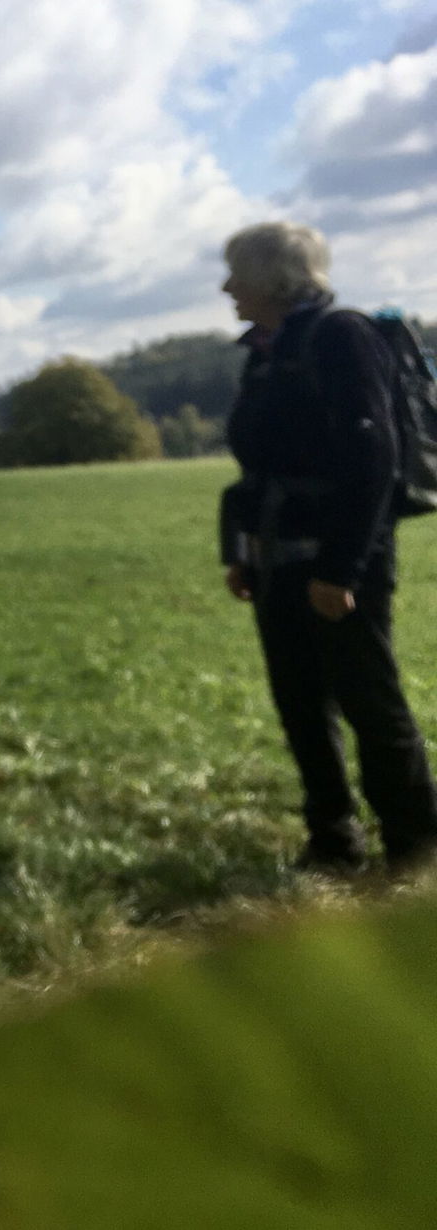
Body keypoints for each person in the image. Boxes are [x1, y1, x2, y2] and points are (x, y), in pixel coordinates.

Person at [218, 220, 437, 873]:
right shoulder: (266, 351)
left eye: (237, 273)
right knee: (300, 703)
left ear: (271, 278)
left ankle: (417, 847)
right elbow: (259, 468)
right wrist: (238, 549)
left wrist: (342, 568)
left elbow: (374, 460)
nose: (227, 286)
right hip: (275, 558)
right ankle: (333, 842)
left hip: (341, 560)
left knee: (369, 700)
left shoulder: (342, 337)